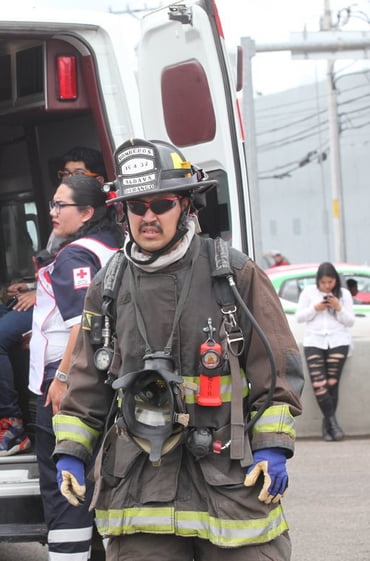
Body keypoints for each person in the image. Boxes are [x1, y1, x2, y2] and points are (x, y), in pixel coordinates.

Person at [53, 138, 304, 560]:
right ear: (123, 212)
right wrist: (72, 454)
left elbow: (278, 370)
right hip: (140, 482)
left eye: (162, 204)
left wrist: (273, 446)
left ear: (186, 206)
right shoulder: (109, 286)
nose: (148, 216)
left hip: (231, 479)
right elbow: (87, 382)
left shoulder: (233, 275)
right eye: (137, 207)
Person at [0, 146, 107, 457]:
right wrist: (32, 286)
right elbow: (55, 268)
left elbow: (81, 287)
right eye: (65, 174)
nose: (55, 210)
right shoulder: (67, 221)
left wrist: (39, 295)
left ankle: (13, 422)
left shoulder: (92, 234)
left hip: (54, 308)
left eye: (77, 175)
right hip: (42, 297)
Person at [31, 170, 123, 560]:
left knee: (63, 479)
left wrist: (63, 379)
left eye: (60, 204)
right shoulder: (113, 245)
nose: (52, 211)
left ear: (86, 212)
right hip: (107, 374)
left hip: (66, 378)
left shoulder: (75, 255)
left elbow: (80, 326)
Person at [295, 262, 354, 441]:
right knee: (319, 385)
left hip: (338, 340)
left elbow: (350, 321)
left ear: (336, 280)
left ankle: (328, 428)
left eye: (330, 282)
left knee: (332, 384)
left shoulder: (343, 294)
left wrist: (338, 307)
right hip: (314, 341)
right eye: (324, 283)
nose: (327, 286)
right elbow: (299, 317)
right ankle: (333, 424)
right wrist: (315, 308)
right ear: (318, 281)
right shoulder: (308, 293)